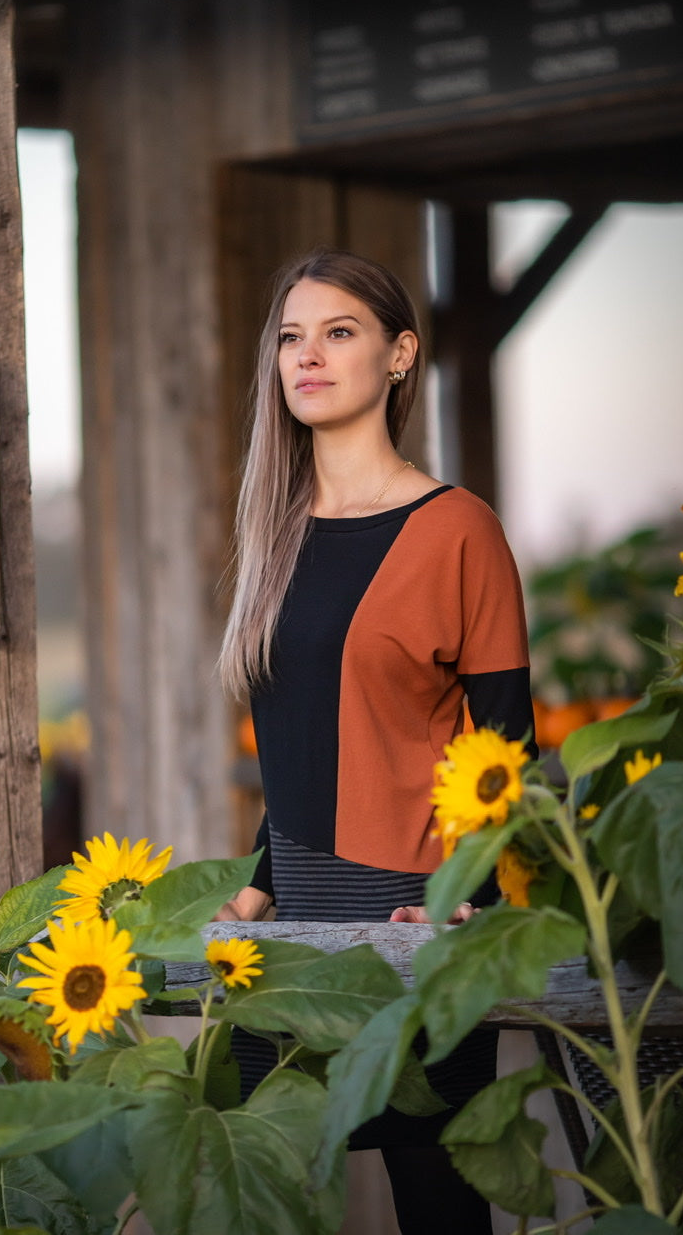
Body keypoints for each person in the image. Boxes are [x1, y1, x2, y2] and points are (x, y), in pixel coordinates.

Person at [216, 248, 534, 1235]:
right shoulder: (273, 533)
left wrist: (462, 905)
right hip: (291, 929)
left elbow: (508, 752)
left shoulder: (457, 530)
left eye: (337, 332)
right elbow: (308, 749)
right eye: (289, 336)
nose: (306, 356)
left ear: (399, 355)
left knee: (437, 1206)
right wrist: (255, 888)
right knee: (268, 1191)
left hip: (413, 922)